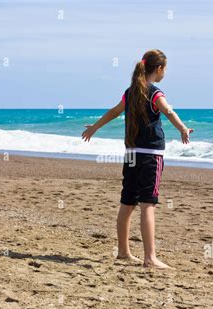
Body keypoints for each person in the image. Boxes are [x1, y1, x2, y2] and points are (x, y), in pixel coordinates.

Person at [82, 49, 193, 269]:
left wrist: (94, 127)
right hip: (150, 156)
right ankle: (150, 258)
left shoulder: (131, 91)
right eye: (165, 69)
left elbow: (114, 112)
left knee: (127, 203)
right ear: (158, 69)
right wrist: (182, 129)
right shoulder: (154, 93)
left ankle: (123, 252)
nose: (165, 73)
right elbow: (169, 112)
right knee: (147, 205)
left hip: (132, 155)